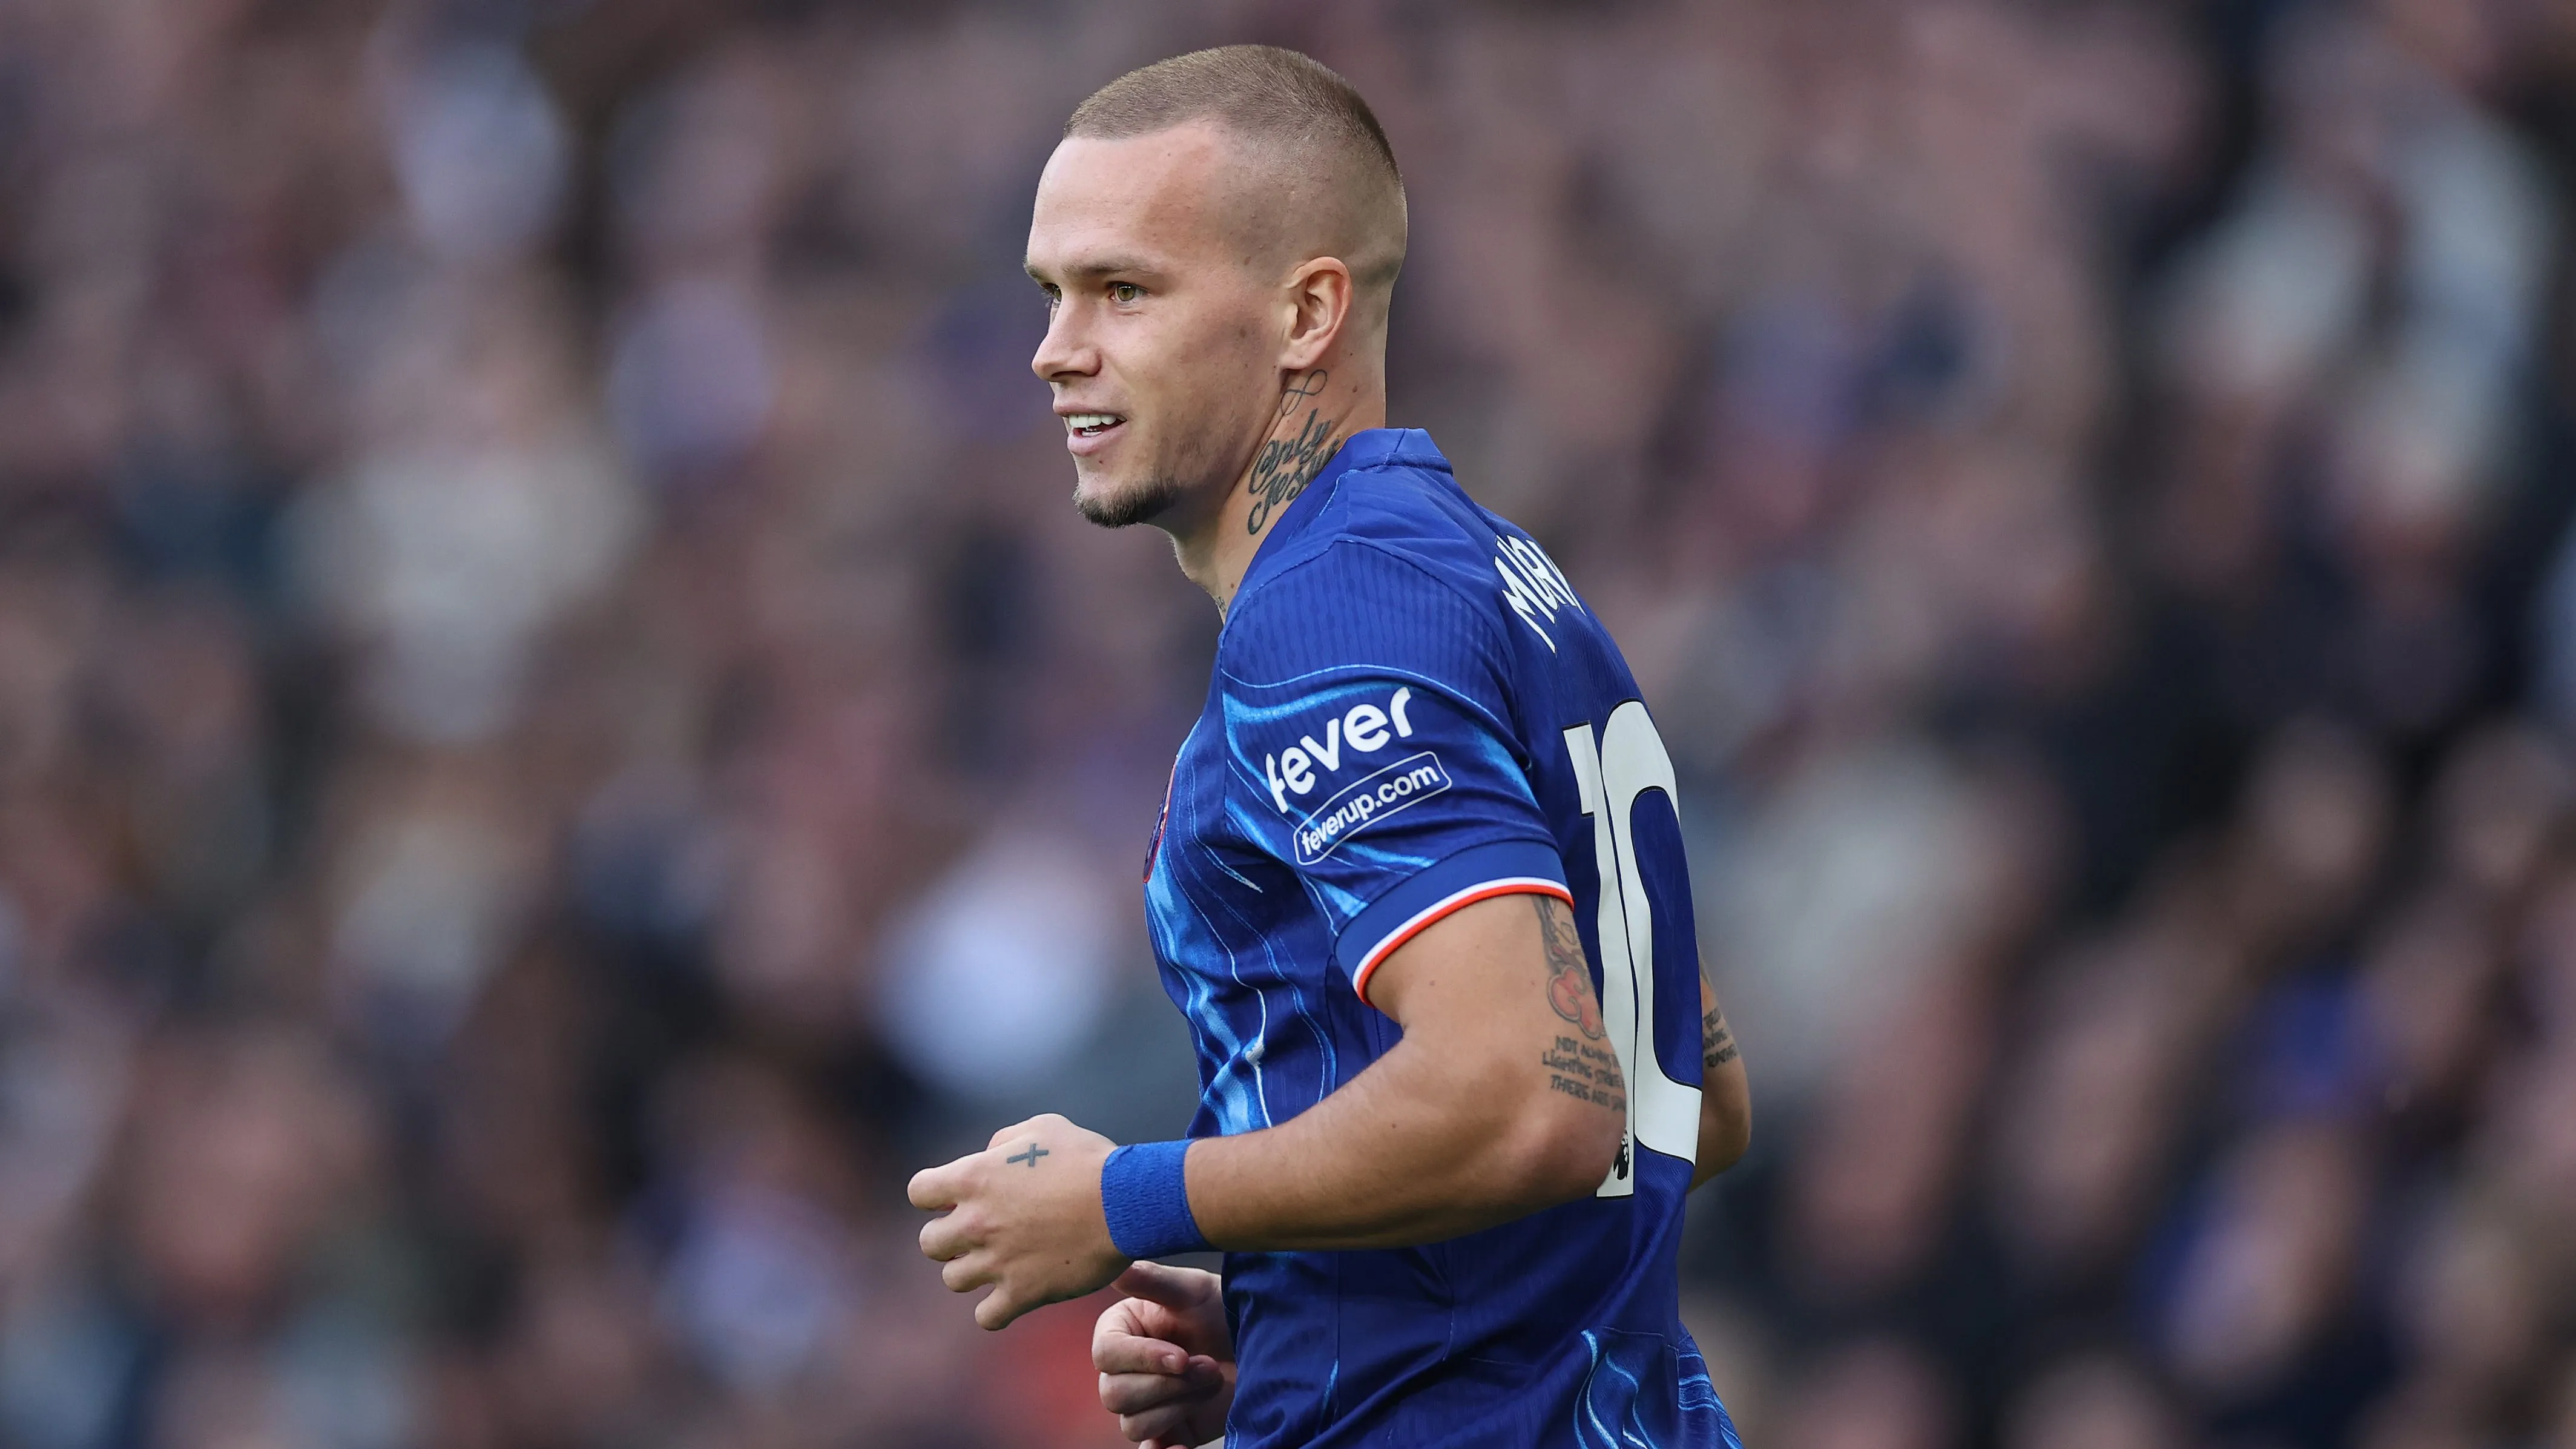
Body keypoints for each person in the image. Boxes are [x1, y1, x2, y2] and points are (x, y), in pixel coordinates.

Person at [907, 44, 1752, 1449]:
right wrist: (1305, 1302)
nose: (1057, 347)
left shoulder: (1334, 612)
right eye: (1052, 295)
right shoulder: (1492, 575)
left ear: (1307, 311)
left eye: (1124, 289)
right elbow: (1679, 1099)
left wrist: (1126, 1197)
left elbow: (1536, 1094)